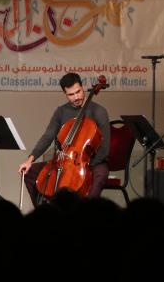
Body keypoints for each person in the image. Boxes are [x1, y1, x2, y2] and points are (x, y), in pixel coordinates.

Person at [17, 72, 110, 207]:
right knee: (30, 172)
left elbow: (105, 148)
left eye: (78, 92)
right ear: (65, 94)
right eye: (71, 95)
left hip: (93, 162)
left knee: (99, 176)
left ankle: (86, 214)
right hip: (64, 160)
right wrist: (30, 160)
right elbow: (48, 136)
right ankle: (44, 211)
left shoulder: (99, 111)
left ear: (82, 87)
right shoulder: (61, 111)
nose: (76, 97)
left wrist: (85, 167)